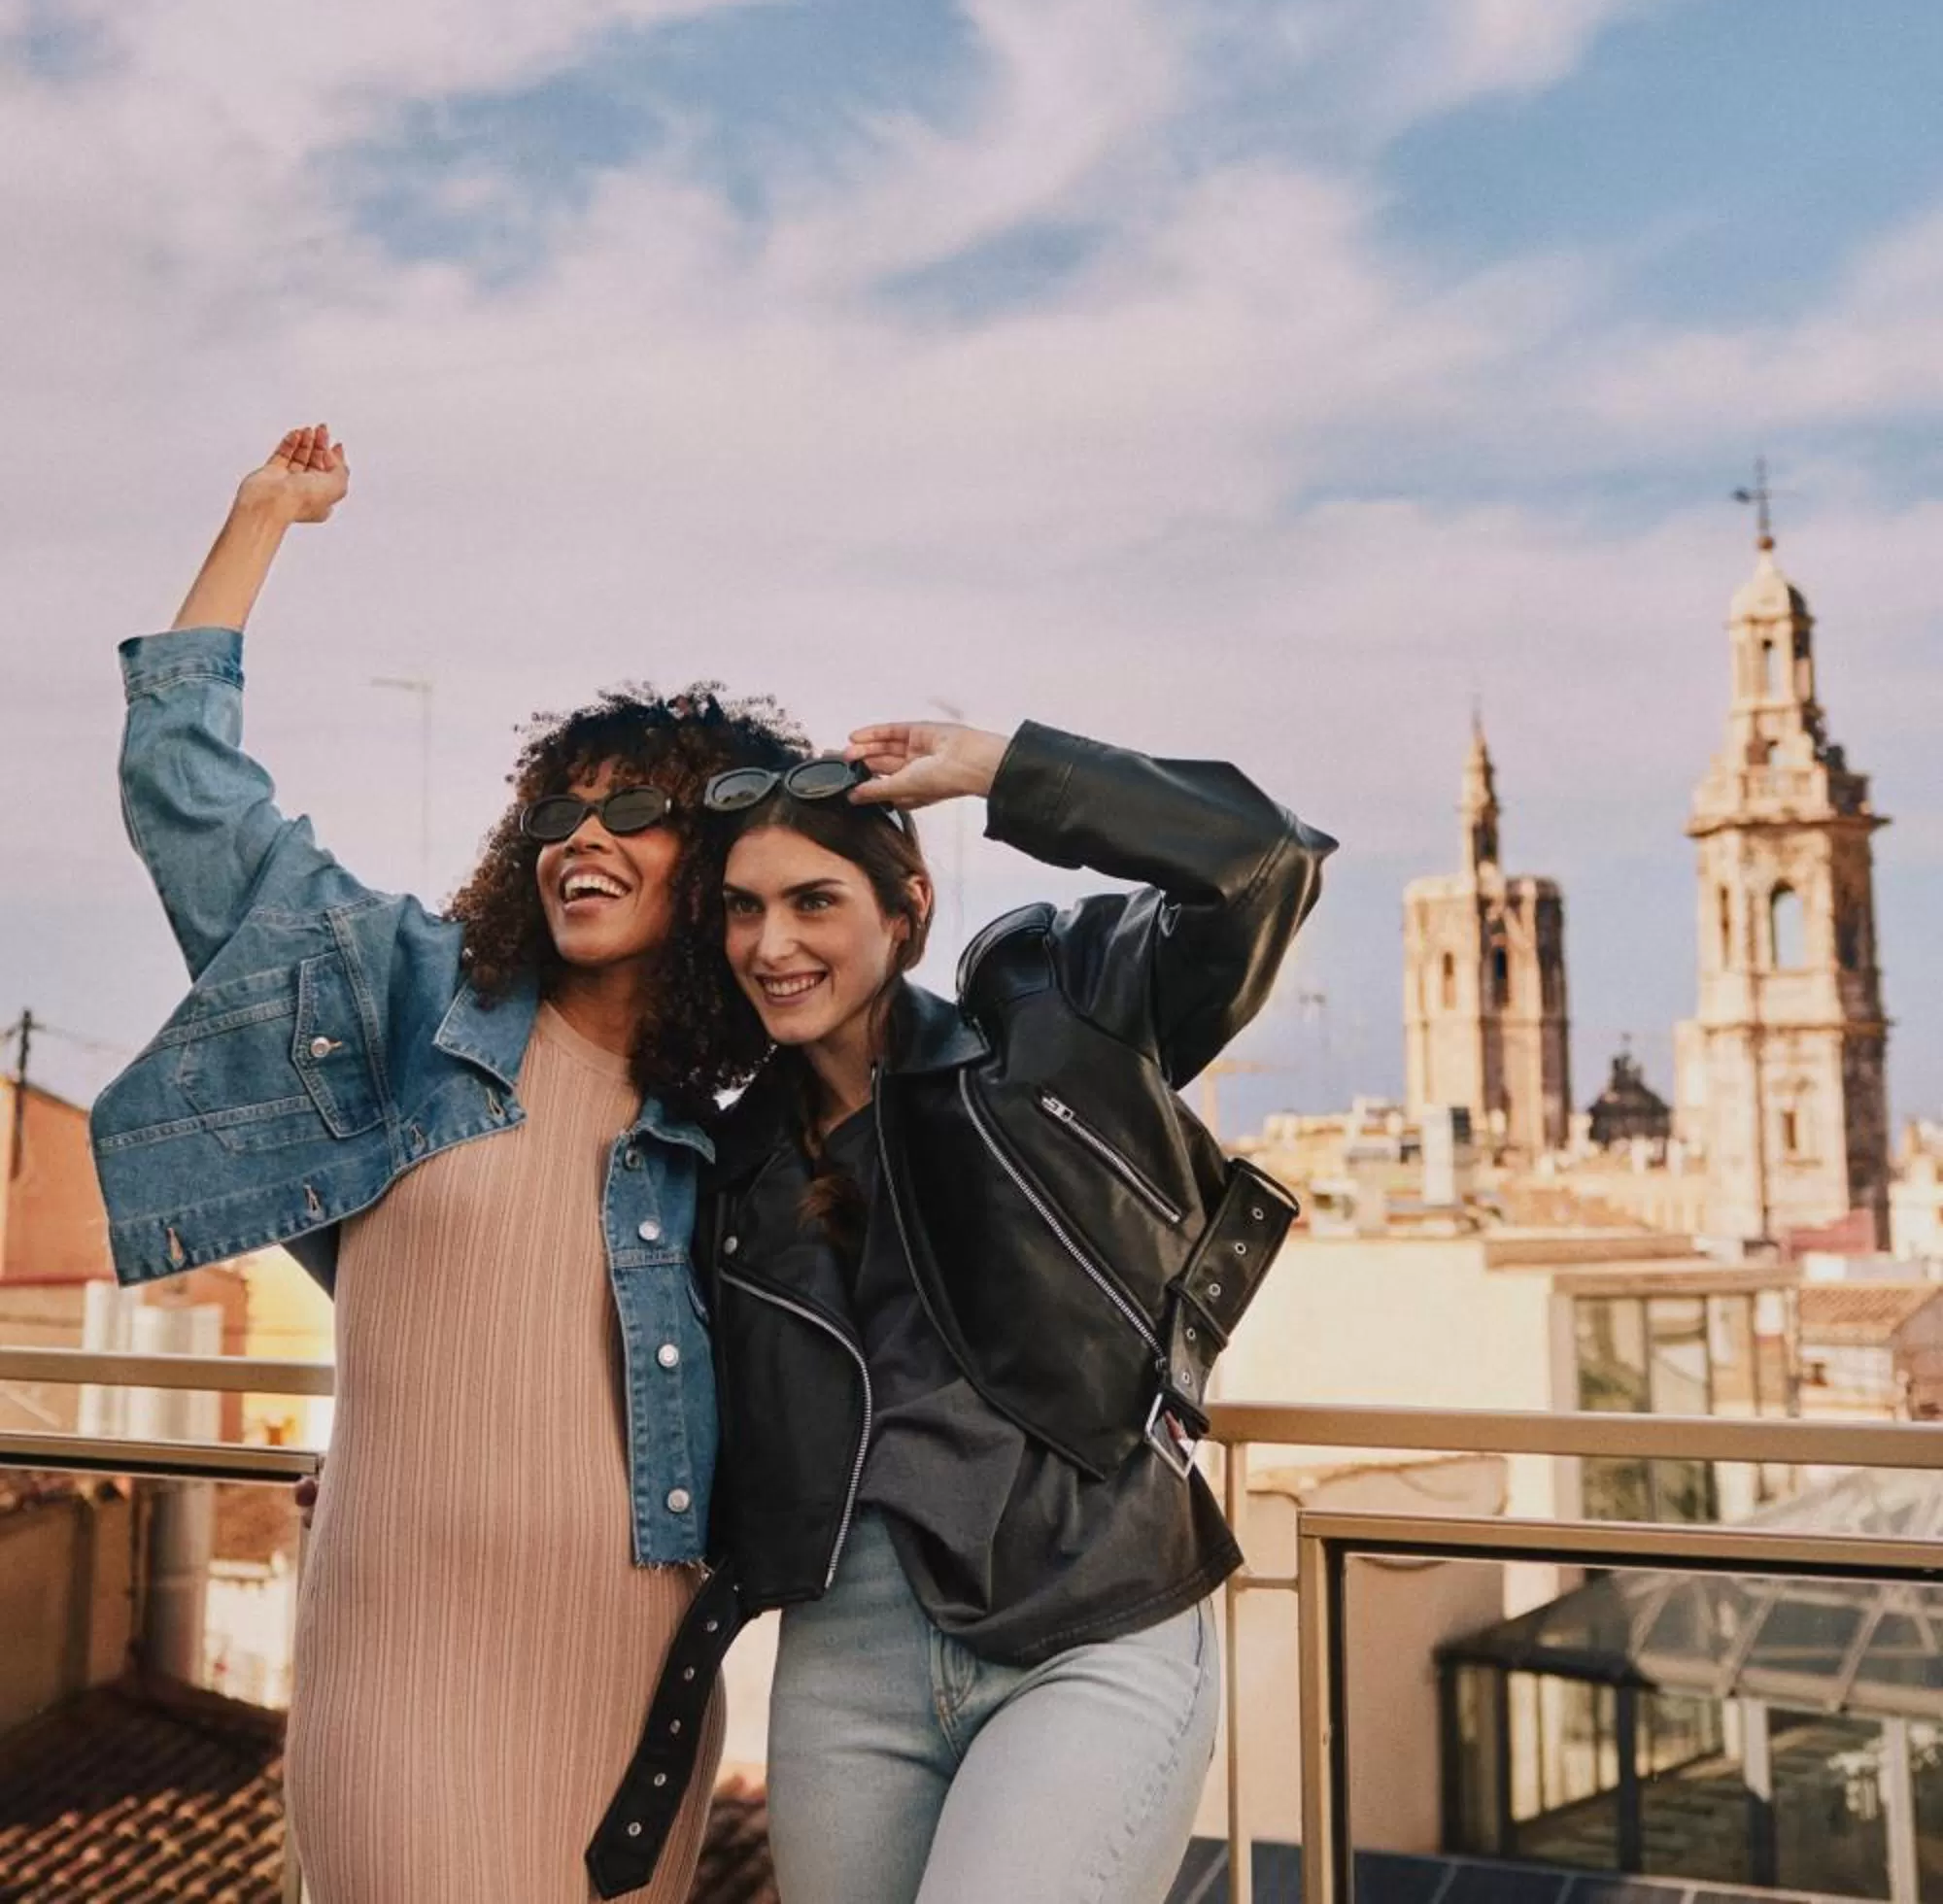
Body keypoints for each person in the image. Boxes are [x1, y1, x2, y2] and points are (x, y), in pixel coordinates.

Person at [91, 425, 802, 1904]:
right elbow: (188, 793)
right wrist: (259, 519)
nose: (581, 836)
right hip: (396, 1653)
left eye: (635, 811)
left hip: (623, 1662)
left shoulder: (734, 1139)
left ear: (713, 868)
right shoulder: (401, 998)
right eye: (557, 808)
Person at [588, 712, 1333, 1904]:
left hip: (1090, 1619)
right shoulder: (716, 1171)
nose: (770, 943)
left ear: (906, 911)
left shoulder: (1051, 1031)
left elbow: (1264, 860)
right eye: (741, 908)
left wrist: (1003, 770)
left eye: (812, 902)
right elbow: (629, 1380)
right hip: (843, 1664)